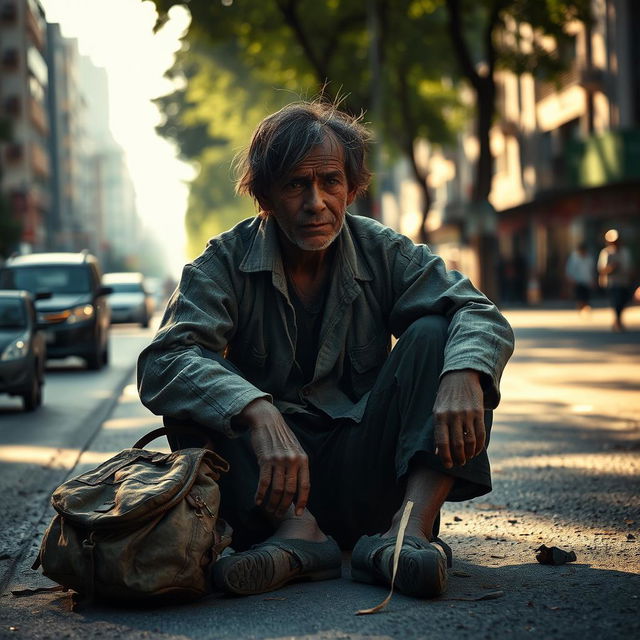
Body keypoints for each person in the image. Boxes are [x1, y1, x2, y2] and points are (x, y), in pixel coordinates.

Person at [137, 101, 514, 600]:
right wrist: (254, 409)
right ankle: (299, 537)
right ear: (265, 196)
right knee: (196, 386)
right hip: (269, 489)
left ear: (351, 189)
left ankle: (408, 534)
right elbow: (164, 360)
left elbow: (478, 312)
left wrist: (464, 372)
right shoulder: (222, 262)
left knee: (435, 332)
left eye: (330, 182)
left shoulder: (383, 250)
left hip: (368, 476)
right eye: (296, 184)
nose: (316, 201)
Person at [598, 229, 632, 331]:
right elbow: (601, 269)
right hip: (612, 282)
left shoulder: (625, 252)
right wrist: (612, 267)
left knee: (623, 302)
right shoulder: (606, 253)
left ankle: (618, 320)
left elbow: (629, 267)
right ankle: (617, 321)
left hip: (624, 281)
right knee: (616, 302)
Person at [565, 242, 595, 312]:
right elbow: (570, 269)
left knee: (586, 296)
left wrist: (593, 279)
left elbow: (592, 270)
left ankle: (585, 307)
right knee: (580, 296)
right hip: (577, 281)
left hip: (587, 281)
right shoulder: (574, 258)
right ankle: (581, 307)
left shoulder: (589, 258)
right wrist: (570, 279)